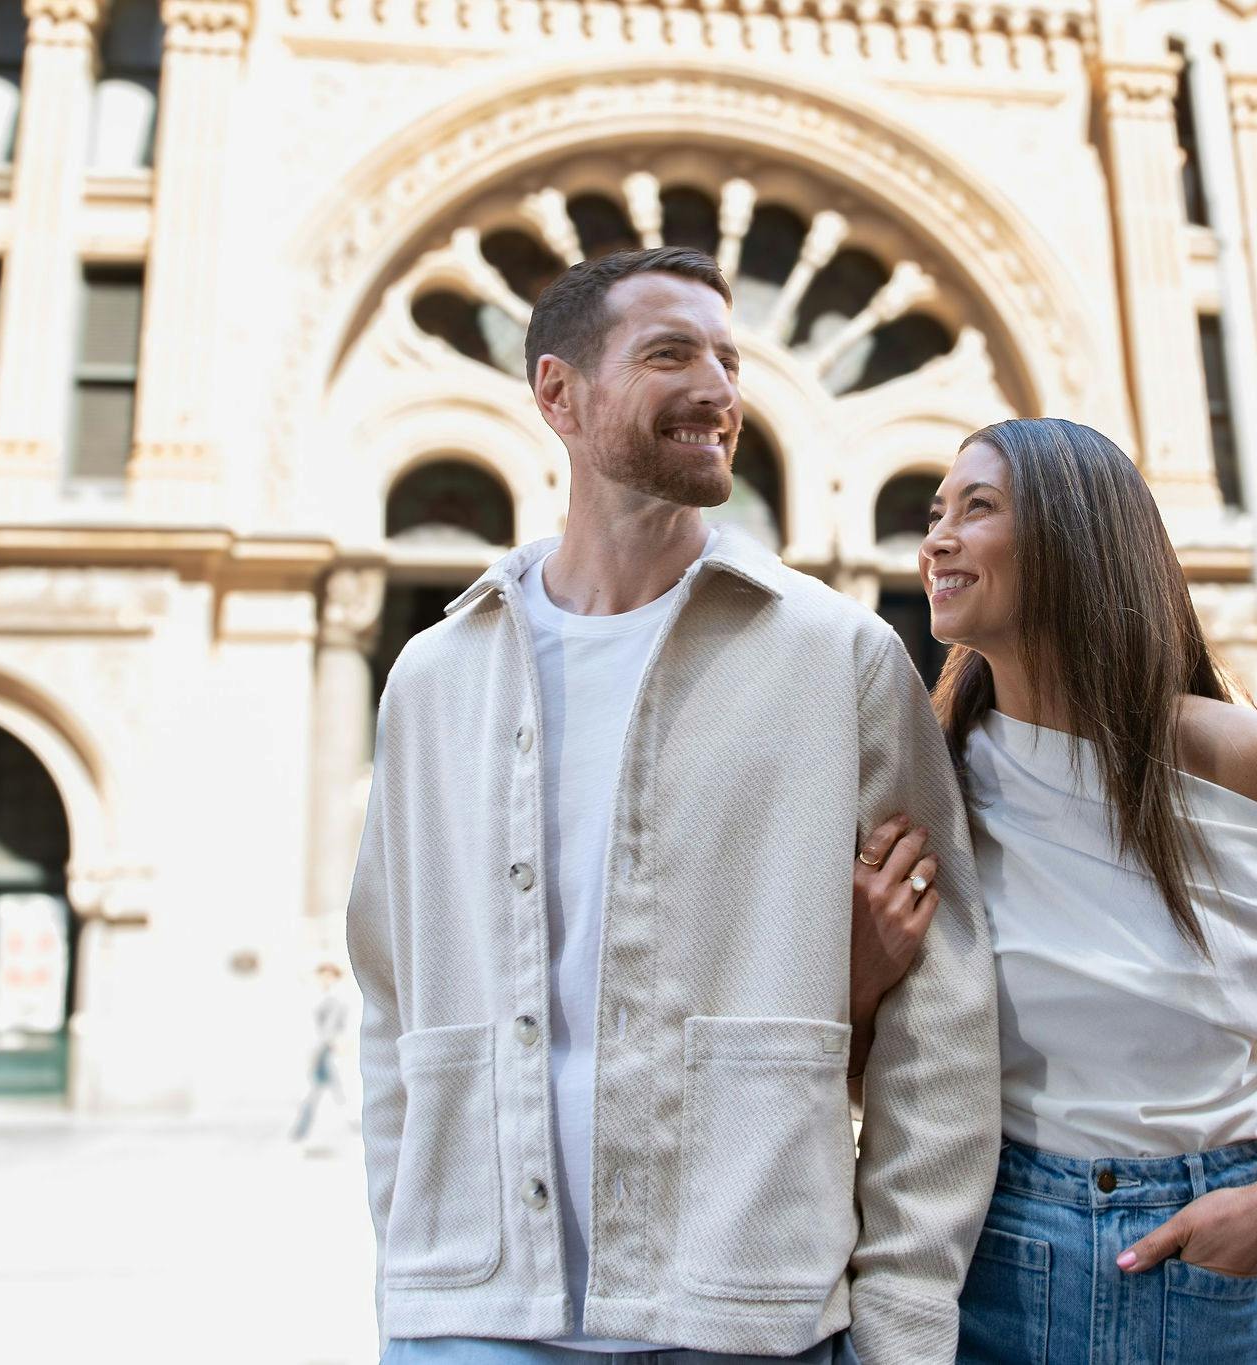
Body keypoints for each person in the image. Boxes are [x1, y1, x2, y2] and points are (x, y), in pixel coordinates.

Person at [347, 247, 1000, 1365]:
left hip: (743, 1318)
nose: (719, 389)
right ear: (559, 393)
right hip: (468, 1321)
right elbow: (388, 998)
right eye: (669, 353)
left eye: (728, 358)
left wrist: (900, 1328)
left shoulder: (835, 656)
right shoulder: (433, 676)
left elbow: (941, 1026)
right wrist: (417, 1262)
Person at [850, 418, 1257, 1364]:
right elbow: (868, 1066)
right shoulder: (932, 776)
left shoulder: (1239, 757)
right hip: (993, 1248)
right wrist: (862, 968)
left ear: (1073, 536)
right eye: (935, 514)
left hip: (1220, 1266)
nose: (936, 539)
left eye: (978, 507)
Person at [290, 961, 353, 1149]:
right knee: (320, 1090)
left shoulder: (337, 997)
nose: (324, 978)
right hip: (323, 1048)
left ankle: (303, 1127)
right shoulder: (319, 996)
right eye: (322, 974)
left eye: (328, 975)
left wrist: (330, 1044)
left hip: (328, 1049)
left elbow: (333, 1027)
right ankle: (302, 1127)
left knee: (333, 1089)